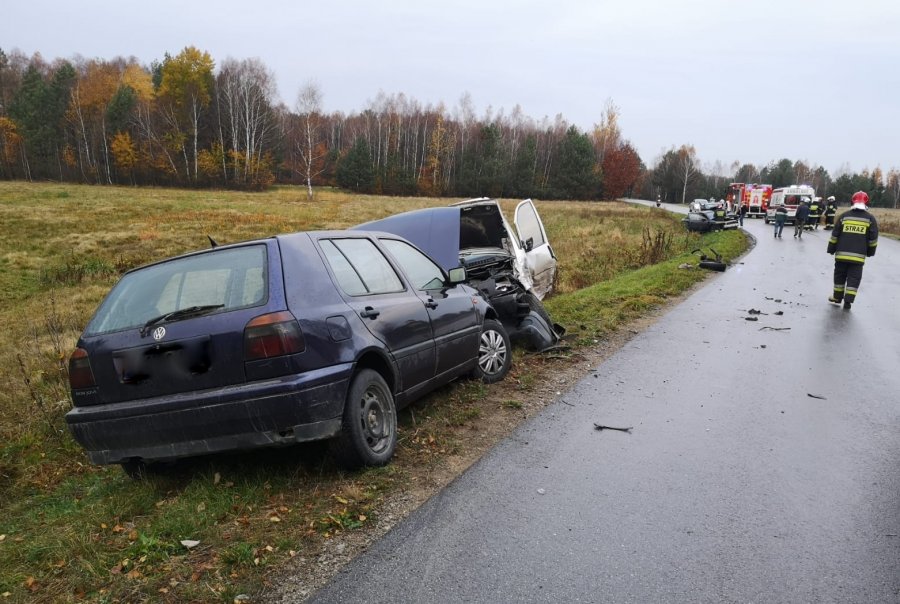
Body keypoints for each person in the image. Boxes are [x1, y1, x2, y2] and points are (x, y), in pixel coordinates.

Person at [827, 191, 878, 310]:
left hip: (841, 255)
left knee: (839, 276)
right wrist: (870, 252)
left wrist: (831, 249)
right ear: (867, 203)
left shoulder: (844, 216)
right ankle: (848, 301)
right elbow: (873, 239)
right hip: (858, 257)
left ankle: (837, 297)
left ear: (852, 201)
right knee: (854, 278)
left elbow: (835, 235)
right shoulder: (870, 219)